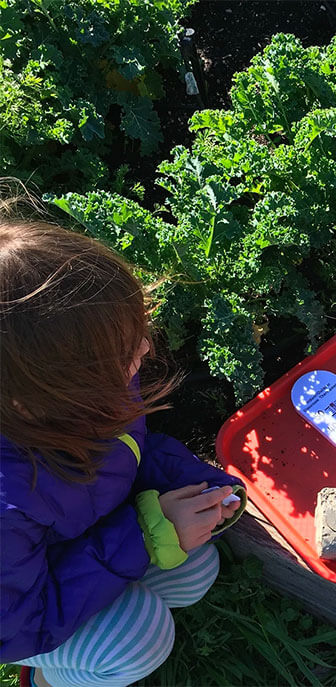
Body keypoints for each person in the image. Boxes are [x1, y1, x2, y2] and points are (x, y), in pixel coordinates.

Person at [0, 216, 248, 687]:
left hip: (81, 547)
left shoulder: (80, 389)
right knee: (138, 638)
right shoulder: (6, 506)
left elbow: (132, 449)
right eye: (122, 350)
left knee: (197, 569)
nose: (146, 347)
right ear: (37, 396)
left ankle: (116, 603)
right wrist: (147, 534)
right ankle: (45, 680)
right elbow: (19, 627)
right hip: (23, 621)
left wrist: (191, 481)